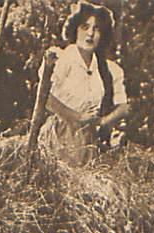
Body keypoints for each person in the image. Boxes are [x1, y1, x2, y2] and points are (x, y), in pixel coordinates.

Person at [38, 2, 130, 165]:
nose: (90, 34)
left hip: (87, 140)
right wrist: (76, 117)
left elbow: (123, 107)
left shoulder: (107, 69)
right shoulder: (62, 59)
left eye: (97, 29)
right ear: (75, 30)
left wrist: (101, 122)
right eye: (85, 27)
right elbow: (45, 98)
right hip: (60, 135)